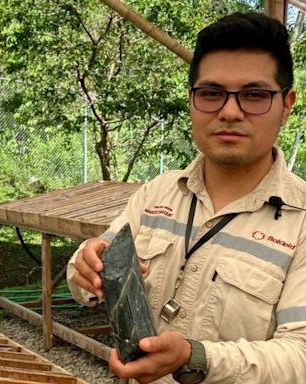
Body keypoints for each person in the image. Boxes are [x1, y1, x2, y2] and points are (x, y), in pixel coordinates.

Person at [67, 12, 306, 384]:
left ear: (286, 104)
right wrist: (85, 267)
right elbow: (88, 276)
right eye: (211, 93)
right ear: (192, 101)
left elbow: (300, 356)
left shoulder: (301, 221)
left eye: (254, 95)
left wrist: (195, 357)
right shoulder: (157, 193)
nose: (229, 111)